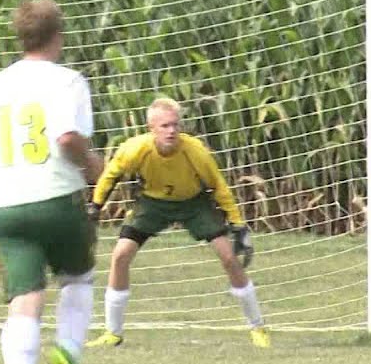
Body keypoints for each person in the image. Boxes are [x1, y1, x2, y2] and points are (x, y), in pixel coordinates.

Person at [0, 0, 105, 364]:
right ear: (58, 36)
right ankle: (67, 352)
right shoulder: (67, 81)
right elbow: (67, 138)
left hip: (4, 203)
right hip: (55, 196)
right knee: (77, 278)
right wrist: (93, 164)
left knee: (25, 297)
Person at [86, 97, 269, 348]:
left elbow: (218, 185)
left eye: (175, 124)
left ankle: (257, 327)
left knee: (229, 258)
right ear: (151, 128)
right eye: (164, 126)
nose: (171, 130)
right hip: (152, 204)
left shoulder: (195, 151)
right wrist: (95, 206)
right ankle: (112, 333)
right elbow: (110, 175)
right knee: (120, 255)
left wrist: (238, 224)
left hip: (193, 204)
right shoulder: (134, 149)